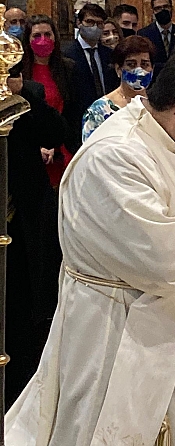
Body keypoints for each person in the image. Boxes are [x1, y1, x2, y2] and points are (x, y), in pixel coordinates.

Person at [6, 52, 175, 446]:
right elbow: (165, 260)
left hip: (172, 328)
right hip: (117, 332)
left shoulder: (173, 142)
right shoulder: (117, 157)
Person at [5, 69, 67, 406]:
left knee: (22, 320)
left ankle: (19, 402)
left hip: (22, 225)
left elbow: (55, 131)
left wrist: (21, 96)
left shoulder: (28, 93)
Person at [22, 15, 81, 185]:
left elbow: (74, 112)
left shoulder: (69, 68)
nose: (43, 40)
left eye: (47, 35)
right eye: (36, 36)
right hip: (32, 151)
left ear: (55, 37)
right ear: (28, 40)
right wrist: (37, 148)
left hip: (63, 148)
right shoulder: (20, 71)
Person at [62, 3, 120, 145]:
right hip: (77, 124)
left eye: (99, 23)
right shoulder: (66, 54)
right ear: (79, 23)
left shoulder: (108, 54)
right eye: (90, 22)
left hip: (107, 122)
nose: (94, 27)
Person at [82, 35, 156, 142]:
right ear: (118, 69)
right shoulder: (98, 111)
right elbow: (90, 154)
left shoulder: (159, 106)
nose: (139, 70)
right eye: (131, 64)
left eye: (145, 64)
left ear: (152, 69)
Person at [138, 0, 175, 66]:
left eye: (166, 7)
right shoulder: (143, 34)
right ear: (153, 11)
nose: (162, 10)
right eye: (158, 8)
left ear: (171, 8)